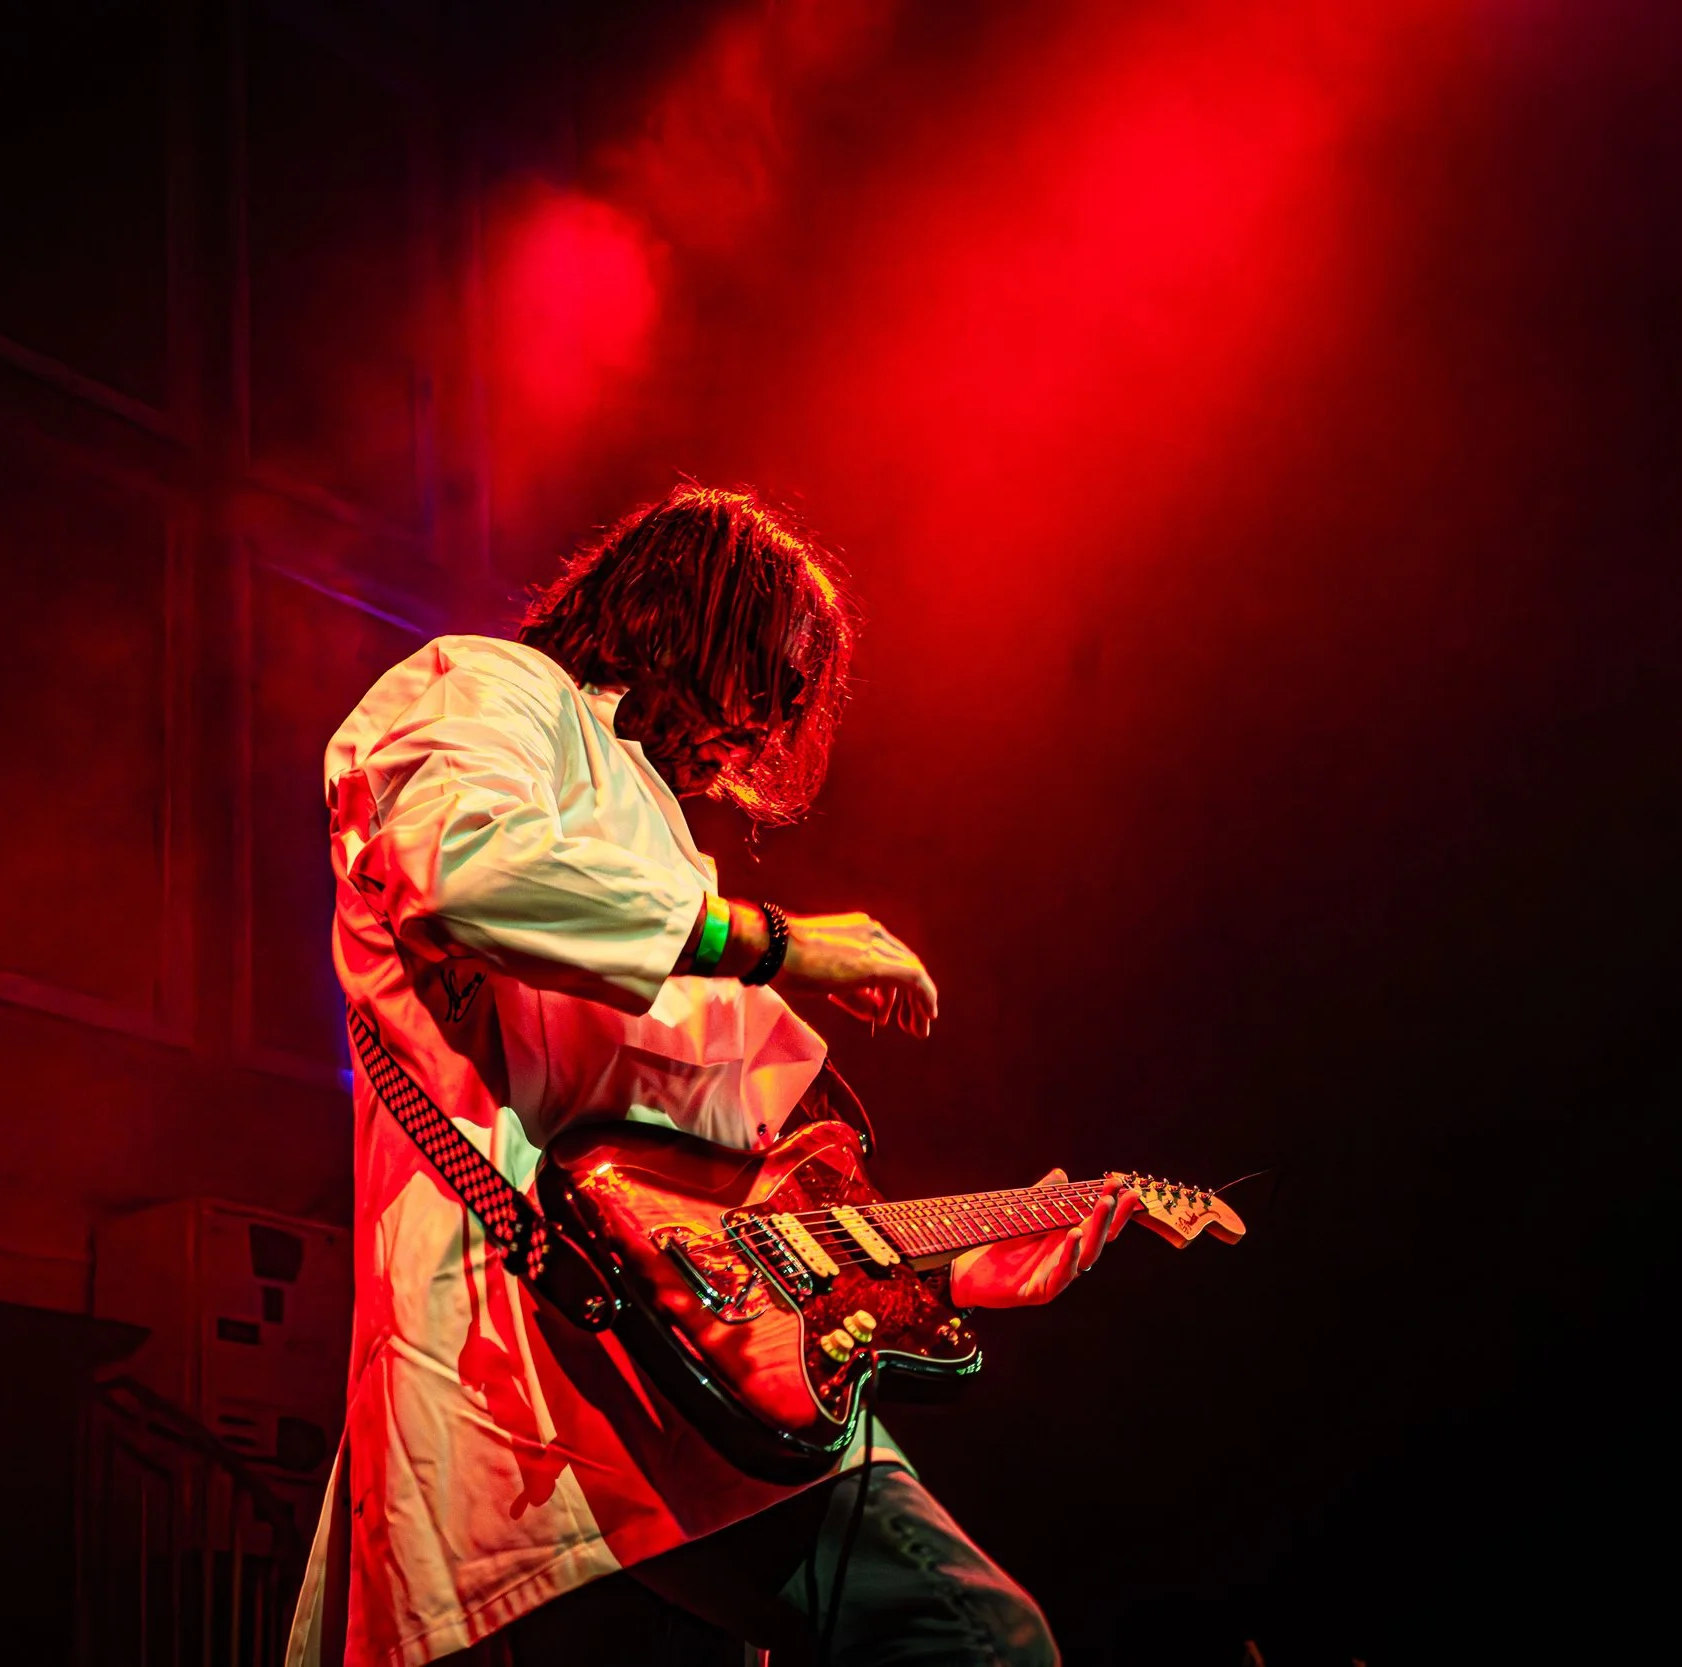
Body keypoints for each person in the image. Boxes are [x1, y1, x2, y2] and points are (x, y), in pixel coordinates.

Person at [287, 486, 1134, 1667]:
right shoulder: (484, 686)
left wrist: (936, 1272)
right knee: (977, 1639)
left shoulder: (652, 833)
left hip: (681, 1378)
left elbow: (722, 1205)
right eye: (767, 675)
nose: (770, 723)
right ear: (681, 616)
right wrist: (776, 941)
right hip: (544, 1350)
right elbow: (465, 867)